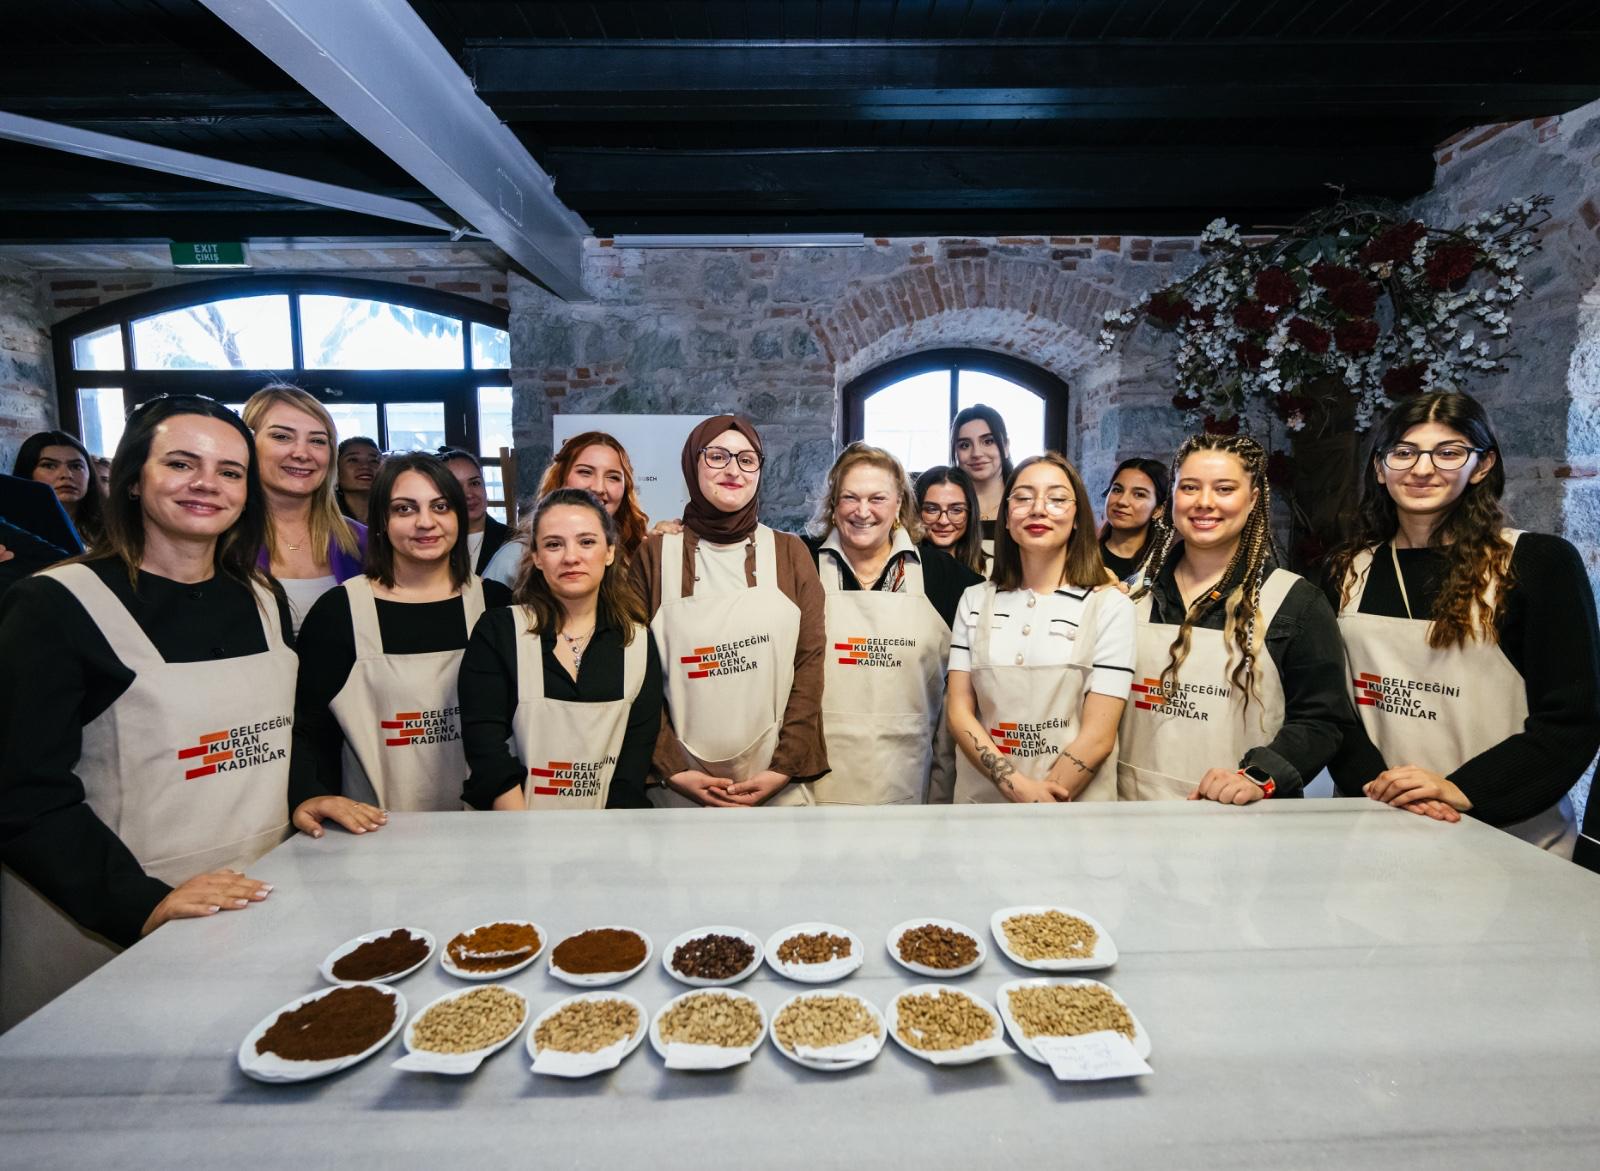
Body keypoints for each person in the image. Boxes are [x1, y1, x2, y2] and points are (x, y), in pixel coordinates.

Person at [0, 396, 297, 1030]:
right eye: (182, 463)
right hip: (102, 926)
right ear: (133, 478)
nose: (206, 485)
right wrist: (141, 903)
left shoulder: (265, 599)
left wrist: (312, 794)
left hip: (254, 909)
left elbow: (277, 737)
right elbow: (21, 793)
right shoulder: (53, 606)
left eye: (229, 471)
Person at [1325, 392, 1600, 856]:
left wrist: (1459, 790)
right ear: (1379, 468)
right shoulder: (1349, 569)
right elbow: (1334, 706)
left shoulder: (1536, 563)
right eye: (1404, 452)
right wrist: (1379, 786)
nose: (1422, 468)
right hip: (1377, 823)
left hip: (1506, 834)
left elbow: (1573, 717)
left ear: (1483, 465)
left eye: (1449, 453)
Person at [1119, 433, 1350, 804]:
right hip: (1131, 811)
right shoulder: (1129, 598)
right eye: (1190, 487)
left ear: (1253, 497)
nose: (1204, 503)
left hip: (1244, 820)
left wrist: (1261, 775)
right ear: (1172, 497)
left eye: (1224, 489)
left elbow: (1323, 721)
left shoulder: (1296, 603)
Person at [289, 453, 509, 827]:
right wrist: (310, 793)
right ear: (381, 523)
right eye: (404, 509)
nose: (426, 522)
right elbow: (310, 729)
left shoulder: (497, 604)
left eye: (440, 506)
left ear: (458, 515)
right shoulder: (341, 612)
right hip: (377, 833)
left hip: (486, 830)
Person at [630, 414, 827, 807]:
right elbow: (635, 675)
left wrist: (783, 767)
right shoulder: (654, 555)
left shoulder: (791, 554)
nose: (733, 470)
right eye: (717, 456)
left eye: (747, 459)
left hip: (777, 788)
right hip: (678, 790)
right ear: (692, 463)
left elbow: (809, 667)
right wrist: (673, 766)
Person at [946, 452, 1133, 803]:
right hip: (984, 806)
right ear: (1005, 517)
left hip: (1072, 807)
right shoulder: (974, 600)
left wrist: (1044, 800)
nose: (1038, 509)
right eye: (1023, 497)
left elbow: (1099, 734)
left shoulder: (1110, 605)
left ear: (1078, 517)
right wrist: (1017, 788)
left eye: (1058, 499)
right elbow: (959, 710)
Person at [460, 488, 663, 810]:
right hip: (511, 835)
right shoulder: (498, 632)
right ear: (536, 557)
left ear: (610, 551)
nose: (571, 557)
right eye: (554, 544)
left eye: (586, 542)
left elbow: (630, 772)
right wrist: (525, 841)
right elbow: (487, 751)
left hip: (605, 840)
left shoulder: (637, 641)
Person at [803, 444, 982, 805]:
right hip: (815, 784)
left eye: (877, 498)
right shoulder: (799, 563)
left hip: (910, 779)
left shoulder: (946, 578)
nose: (863, 511)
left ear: (899, 503)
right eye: (850, 497)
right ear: (833, 504)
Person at [241, 385, 366, 634]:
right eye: (282, 437)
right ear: (246, 444)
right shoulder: (217, 541)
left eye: (317, 441)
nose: (302, 453)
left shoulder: (362, 541)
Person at [484, 431, 649, 587]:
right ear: (561, 478)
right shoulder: (515, 557)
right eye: (585, 472)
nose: (599, 487)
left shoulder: (635, 553)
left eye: (613, 477)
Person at [12, 430, 105, 548]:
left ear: (90, 474)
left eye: (76, 466)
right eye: (49, 465)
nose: (66, 475)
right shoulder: (12, 529)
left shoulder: (114, 529)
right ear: (28, 473)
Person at [950, 404, 1014, 563]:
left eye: (988, 441)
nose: (976, 453)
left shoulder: (1024, 506)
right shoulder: (943, 509)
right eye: (965, 445)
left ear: (1005, 447)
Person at [438, 447, 511, 576]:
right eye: (456, 486)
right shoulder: (433, 541)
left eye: (474, 483)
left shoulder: (513, 541)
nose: (468, 494)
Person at [1099, 457, 1170, 582]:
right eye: (1117, 490)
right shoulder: (1082, 556)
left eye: (1139, 494)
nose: (1122, 501)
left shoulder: (1164, 567)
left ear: (1158, 510)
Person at [915, 465, 986, 576]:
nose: (943, 521)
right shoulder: (901, 568)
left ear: (970, 513)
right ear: (916, 511)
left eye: (956, 510)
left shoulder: (993, 570)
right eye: (932, 509)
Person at [334, 436, 381, 524]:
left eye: (374, 460)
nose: (365, 466)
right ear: (335, 472)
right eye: (353, 460)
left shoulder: (395, 516)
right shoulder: (322, 519)